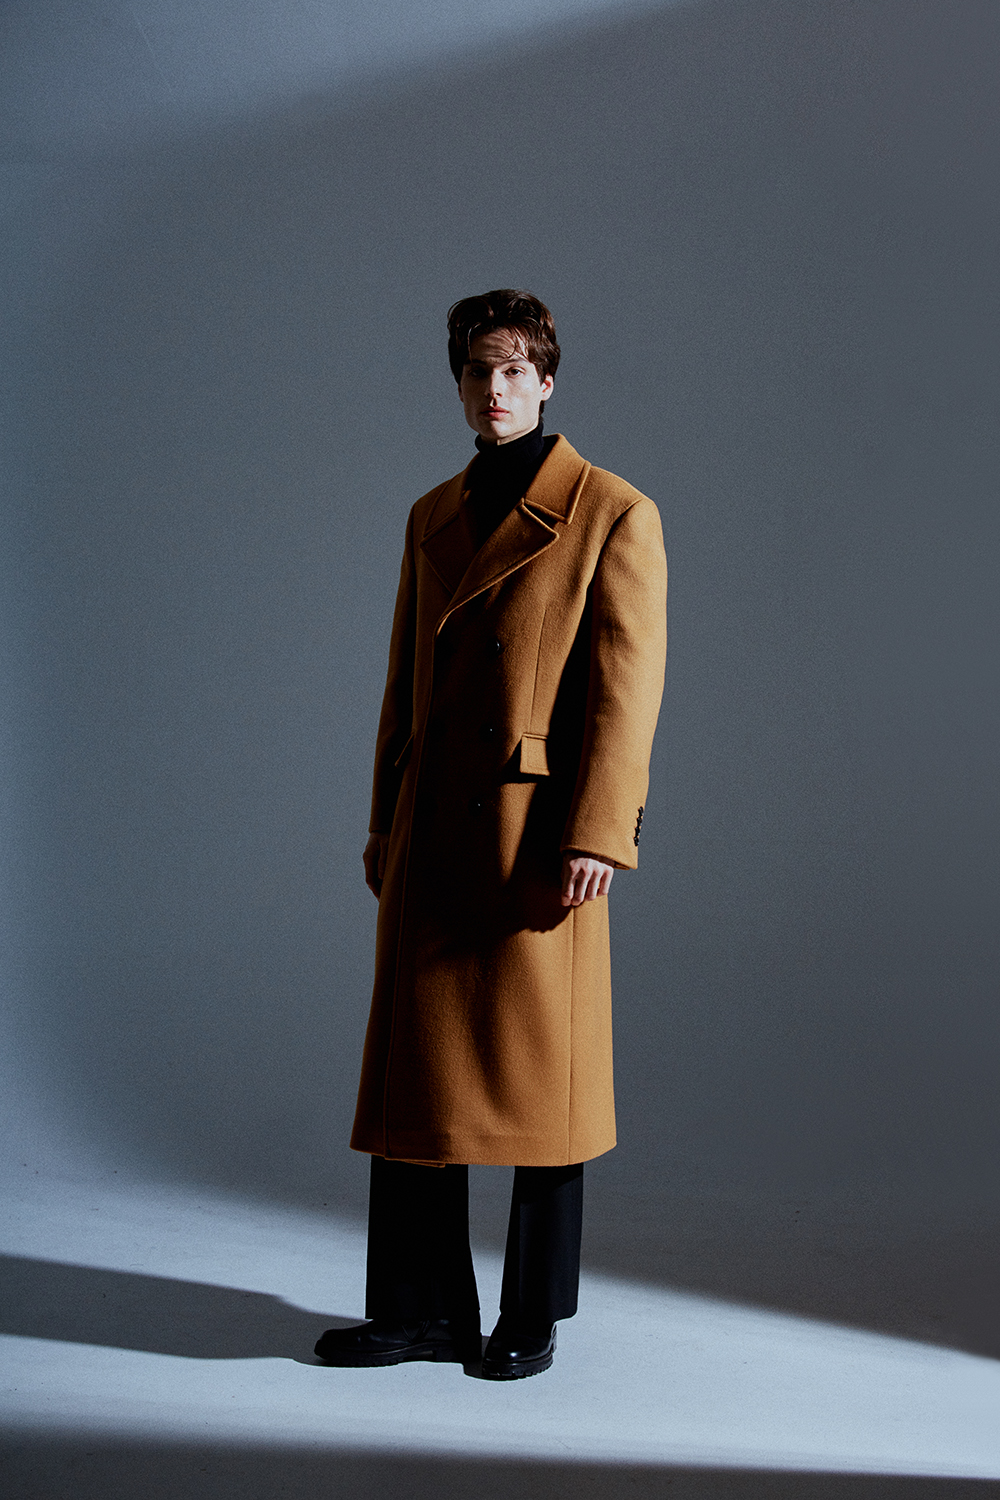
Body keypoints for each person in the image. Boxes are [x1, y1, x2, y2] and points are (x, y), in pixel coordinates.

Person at [315, 289, 667, 1379]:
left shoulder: (612, 511)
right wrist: (386, 823)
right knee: (417, 1087)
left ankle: (531, 1315)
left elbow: (625, 694)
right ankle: (419, 1310)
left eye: (515, 370)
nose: (494, 389)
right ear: (459, 383)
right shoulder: (432, 513)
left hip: (533, 838)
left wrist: (599, 831)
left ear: (547, 381)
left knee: (543, 1089)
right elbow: (404, 689)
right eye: (477, 370)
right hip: (435, 834)